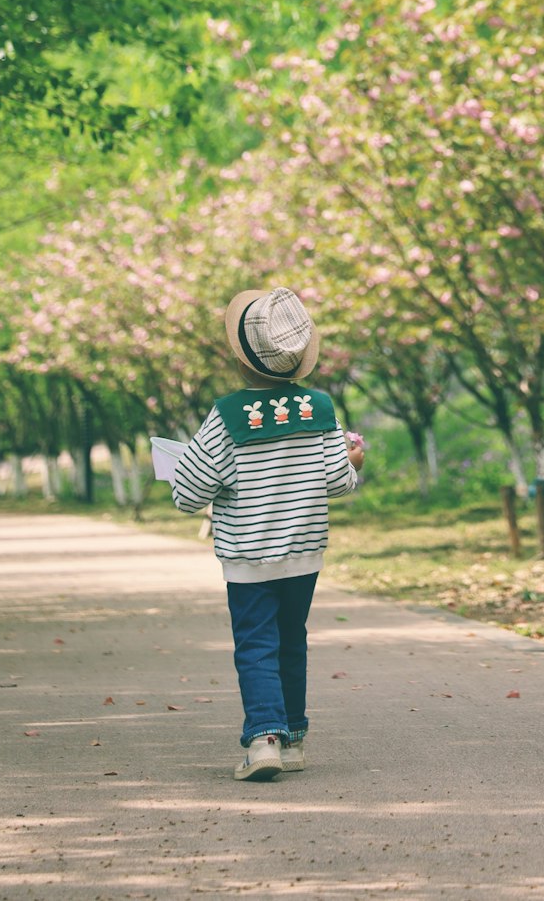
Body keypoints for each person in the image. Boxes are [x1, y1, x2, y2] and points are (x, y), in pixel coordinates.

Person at [172, 286, 364, 780]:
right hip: (304, 552)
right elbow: (337, 481)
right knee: (290, 640)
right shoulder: (319, 409)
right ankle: (294, 739)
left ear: (240, 360)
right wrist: (353, 460)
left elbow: (188, 491)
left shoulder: (228, 416)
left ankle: (263, 739)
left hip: (248, 556)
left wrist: (187, 477)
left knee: (255, 642)